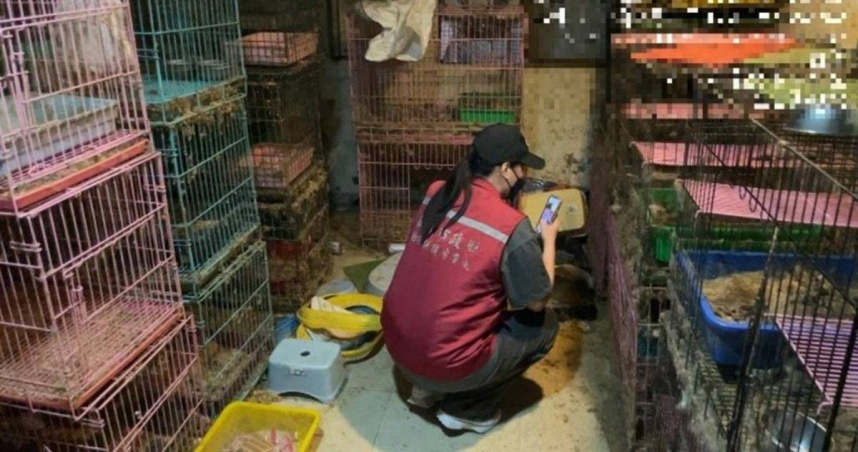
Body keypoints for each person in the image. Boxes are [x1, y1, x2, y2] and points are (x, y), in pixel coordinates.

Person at [381, 124, 561, 434]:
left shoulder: (438, 191)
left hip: (398, 346)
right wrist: (550, 239)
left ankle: (428, 389)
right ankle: (469, 410)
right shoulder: (510, 225)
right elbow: (537, 301)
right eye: (521, 167)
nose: (522, 174)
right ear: (506, 169)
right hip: (442, 363)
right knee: (545, 326)